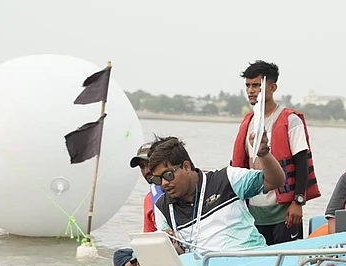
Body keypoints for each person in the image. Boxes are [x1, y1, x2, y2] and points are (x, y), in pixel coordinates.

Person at [230, 60, 321, 245]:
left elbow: (302, 163)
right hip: (254, 214)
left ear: (272, 87)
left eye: (256, 85)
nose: (251, 90)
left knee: (287, 263)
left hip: (284, 212)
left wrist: (298, 202)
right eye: (247, 85)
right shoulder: (248, 122)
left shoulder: (290, 120)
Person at [148, 134, 285, 254]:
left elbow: (275, 181)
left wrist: (263, 153)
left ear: (186, 166)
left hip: (250, 260)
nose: (164, 183)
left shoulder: (228, 178)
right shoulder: (162, 207)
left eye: (168, 175)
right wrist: (173, 250)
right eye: (157, 179)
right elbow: (172, 252)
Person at [129, 141, 165, 233]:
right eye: (142, 166)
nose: (146, 171)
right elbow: (148, 237)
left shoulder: (181, 190)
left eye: (149, 164)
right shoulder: (149, 199)